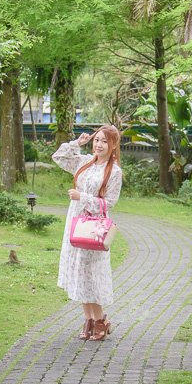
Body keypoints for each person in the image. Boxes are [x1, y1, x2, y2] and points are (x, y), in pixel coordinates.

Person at [52, 125, 123, 341]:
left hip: (94, 226)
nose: (99, 145)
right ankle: (88, 320)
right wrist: (77, 143)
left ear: (113, 145)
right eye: (97, 140)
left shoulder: (114, 172)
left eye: (104, 141)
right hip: (76, 222)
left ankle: (101, 320)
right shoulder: (84, 162)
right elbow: (59, 157)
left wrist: (82, 197)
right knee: (79, 272)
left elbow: (109, 203)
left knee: (91, 273)